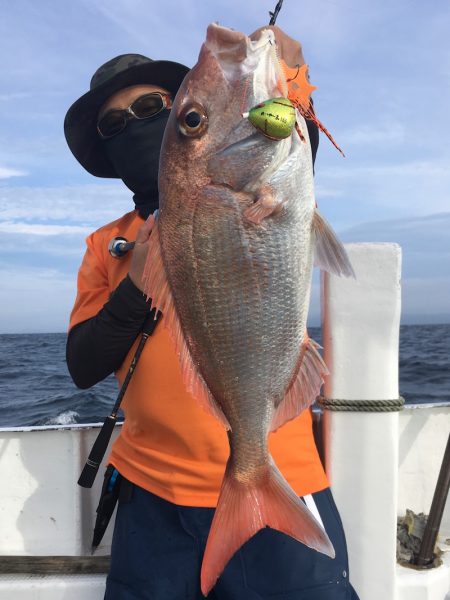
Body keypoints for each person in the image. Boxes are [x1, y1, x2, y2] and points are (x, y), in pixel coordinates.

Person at [65, 26, 360, 600]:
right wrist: (144, 275)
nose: (134, 124)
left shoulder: (263, 180)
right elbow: (81, 364)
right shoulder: (106, 244)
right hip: (149, 494)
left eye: (153, 107)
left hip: (283, 474)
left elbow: (285, 130)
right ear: (105, 149)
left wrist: (291, 72)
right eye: (114, 124)